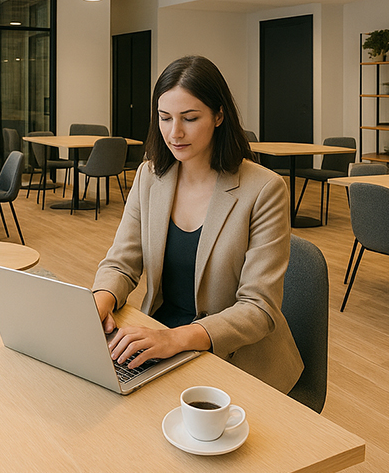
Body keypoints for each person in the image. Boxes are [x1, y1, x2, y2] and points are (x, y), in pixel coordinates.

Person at [91, 55, 303, 395]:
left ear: (219, 115)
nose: (175, 132)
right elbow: (121, 262)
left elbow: (259, 308)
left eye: (190, 118)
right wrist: (99, 301)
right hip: (161, 334)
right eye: (165, 118)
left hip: (235, 356)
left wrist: (176, 339)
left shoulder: (264, 189)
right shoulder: (150, 176)